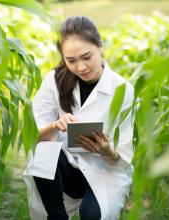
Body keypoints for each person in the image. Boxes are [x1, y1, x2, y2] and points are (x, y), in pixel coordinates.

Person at [23, 16, 135, 220]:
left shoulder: (122, 90)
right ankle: (57, 217)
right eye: (71, 60)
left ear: (100, 46)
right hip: (66, 171)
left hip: (104, 170)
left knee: (93, 215)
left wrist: (105, 150)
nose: (81, 67)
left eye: (87, 57)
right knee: (42, 151)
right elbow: (32, 135)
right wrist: (55, 126)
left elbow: (124, 154)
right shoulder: (54, 81)